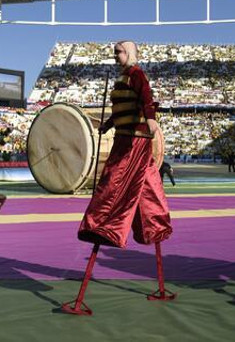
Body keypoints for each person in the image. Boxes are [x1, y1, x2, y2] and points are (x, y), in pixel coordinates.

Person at [64, 41, 174, 315]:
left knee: (112, 185)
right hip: (126, 139)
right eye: (115, 52)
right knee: (148, 193)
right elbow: (123, 109)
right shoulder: (122, 78)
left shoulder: (136, 74)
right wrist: (109, 124)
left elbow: (145, 98)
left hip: (133, 143)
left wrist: (150, 120)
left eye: (120, 51)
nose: (116, 55)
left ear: (133, 53)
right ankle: (154, 227)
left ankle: (101, 226)